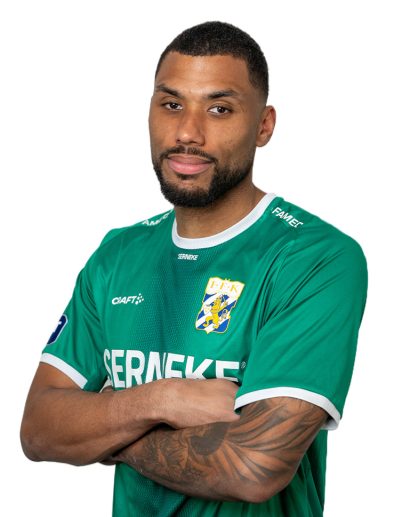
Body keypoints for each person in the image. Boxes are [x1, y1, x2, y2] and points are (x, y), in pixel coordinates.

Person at [20, 21, 367, 517]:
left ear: (264, 126)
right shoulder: (117, 255)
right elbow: (38, 428)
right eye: (171, 104)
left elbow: (255, 466)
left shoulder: (313, 257)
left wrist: (107, 432)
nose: (187, 132)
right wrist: (163, 399)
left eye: (219, 108)